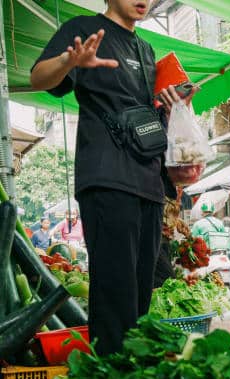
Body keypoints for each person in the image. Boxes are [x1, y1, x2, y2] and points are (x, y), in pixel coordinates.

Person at [30, 0, 194, 355]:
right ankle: (111, 377)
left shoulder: (146, 49)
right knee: (114, 296)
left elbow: (146, 115)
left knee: (140, 298)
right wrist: (69, 61)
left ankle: (132, 374)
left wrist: (172, 106)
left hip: (150, 185)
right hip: (107, 180)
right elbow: (38, 77)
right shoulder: (83, 30)